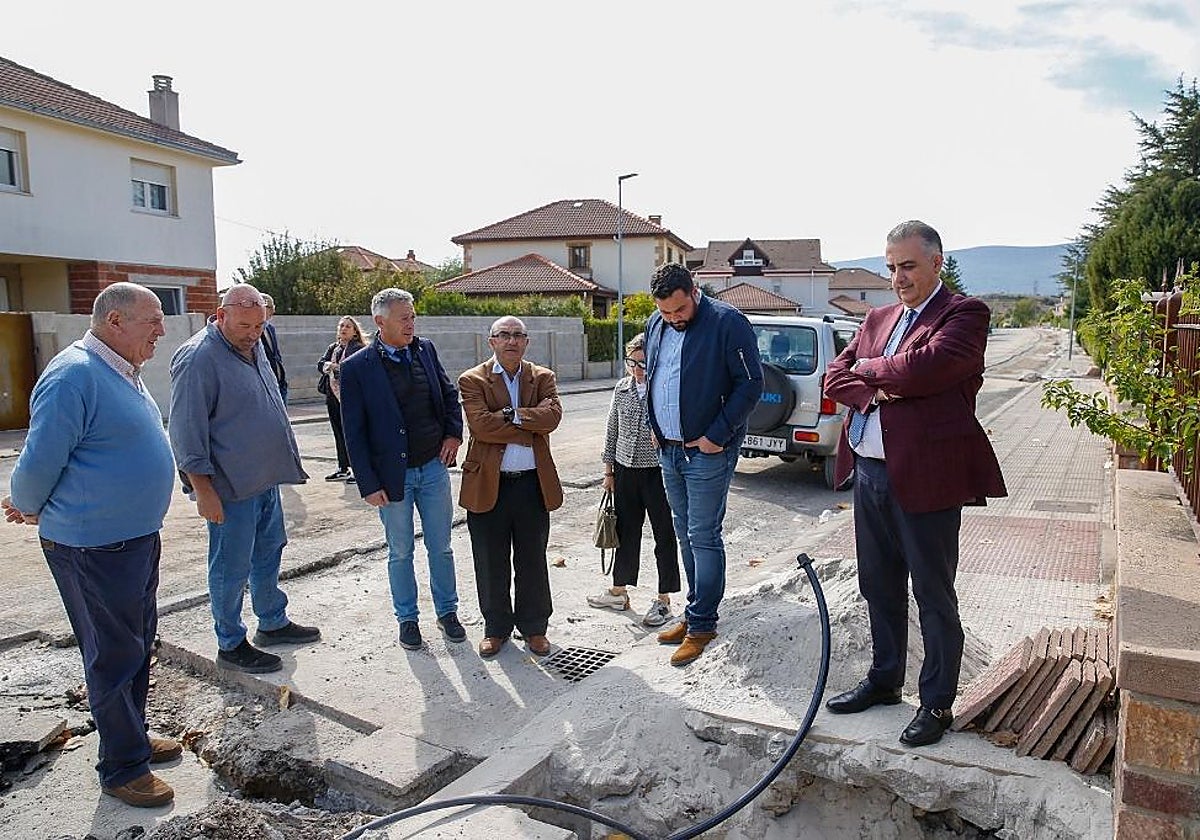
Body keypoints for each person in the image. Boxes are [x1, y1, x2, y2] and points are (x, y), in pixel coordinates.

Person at [823, 220, 1006, 747]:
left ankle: (937, 703)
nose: (898, 278)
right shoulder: (877, 317)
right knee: (878, 586)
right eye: (891, 267)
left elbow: (932, 368)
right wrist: (878, 390)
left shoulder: (965, 314)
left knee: (932, 591)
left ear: (936, 263)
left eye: (908, 266)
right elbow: (835, 378)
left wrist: (871, 369)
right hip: (871, 473)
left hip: (928, 477)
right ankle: (884, 680)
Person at [3, 282, 181, 807]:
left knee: (135, 644)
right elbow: (38, 462)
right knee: (112, 655)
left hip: (132, 540)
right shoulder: (74, 375)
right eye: (152, 320)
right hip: (91, 548)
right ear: (115, 321)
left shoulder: (122, 370)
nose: (162, 329)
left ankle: (132, 737)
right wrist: (27, 502)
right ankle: (123, 768)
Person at [169, 284, 319, 675]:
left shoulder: (255, 344)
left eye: (259, 325)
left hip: (265, 478)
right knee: (230, 565)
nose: (253, 333)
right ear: (220, 316)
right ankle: (231, 642)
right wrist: (202, 489)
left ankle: (272, 621)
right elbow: (186, 432)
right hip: (229, 487)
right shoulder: (198, 358)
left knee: (270, 550)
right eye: (245, 326)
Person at [644, 263, 763, 666]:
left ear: (694, 291)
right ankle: (694, 611)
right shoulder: (656, 323)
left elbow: (751, 384)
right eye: (666, 313)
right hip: (669, 449)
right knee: (683, 532)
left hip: (707, 451)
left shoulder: (729, 322)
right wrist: (656, 428)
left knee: (703, 535)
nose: (674, 319)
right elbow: (656, 377)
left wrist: (717, 436)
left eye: (679, 310)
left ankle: (703, 625)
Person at [339, 289, 466, 651]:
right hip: (392, 478)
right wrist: (367, 482)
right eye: (404, 318)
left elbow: (448, 395)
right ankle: (407, 619)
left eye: (413, 317)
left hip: (433, 469)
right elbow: (354, 432)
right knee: (400, 551)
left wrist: (454, 435)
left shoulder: (425, 350)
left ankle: (447, 612)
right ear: (380, 322)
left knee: (441, 547)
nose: (411, 323)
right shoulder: (357, 368)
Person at [458, 316, 563, 659]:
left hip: (532, 485)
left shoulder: (542, 377)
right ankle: (496, 628)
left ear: (527, 342)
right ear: (491, 342)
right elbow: (481, 427)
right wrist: (530, 422)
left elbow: (553, 419)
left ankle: (535, 628)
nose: (512, 341)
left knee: (533, 559)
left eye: (518, 335)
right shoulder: (473, 380)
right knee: (490, 561)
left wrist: (508, 415)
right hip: (489, 485)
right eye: (504, 335)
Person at [589, 332, 680, 626]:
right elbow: (611, 429)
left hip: (658, 471)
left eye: (644, 363)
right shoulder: (622, 389)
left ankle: (664, 599)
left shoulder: (664, 388)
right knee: (627, 532)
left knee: (664, 534)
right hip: (626, 469)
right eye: (633, 363)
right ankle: (619, 591)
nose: (638, 369)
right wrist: (608, 471)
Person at [317, 316, 366, 483]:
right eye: (341, 326)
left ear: (354, 332)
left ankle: (357, 469)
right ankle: (343, 467)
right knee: (338, 432)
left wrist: (337, 369)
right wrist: (329, 366)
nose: (343, 329)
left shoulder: (358, 348)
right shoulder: (334, 348)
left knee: (353, 434)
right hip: (333, 396)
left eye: (348, 326)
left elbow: (355, 370)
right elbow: (320, 363)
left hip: (351, 398)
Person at [259, 292, 287, 404]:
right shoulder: (252, 331)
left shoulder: (270, 329)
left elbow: (276, 355)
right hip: (266, 387)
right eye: (271, 307)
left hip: (280, 384)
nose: (273, 312)